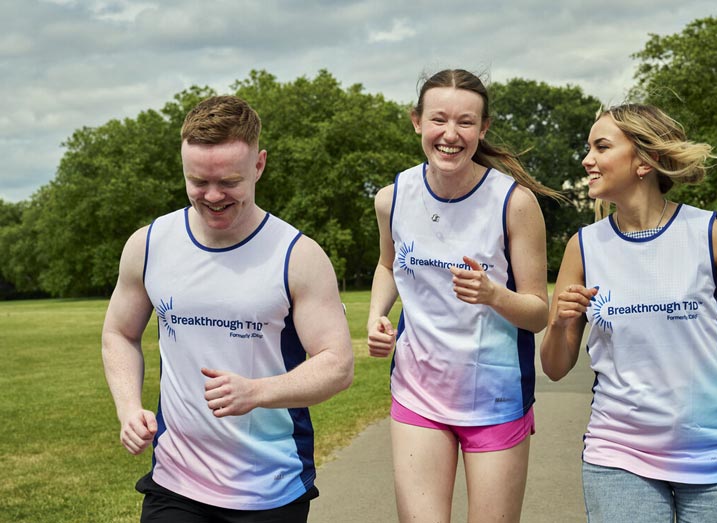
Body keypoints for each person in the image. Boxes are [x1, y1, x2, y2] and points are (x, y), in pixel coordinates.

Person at [540, 103, 717, 522]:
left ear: (645, 161)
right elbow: (554, 368)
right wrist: (559, 324)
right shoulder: (583, 247)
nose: (587, 160)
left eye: (601, 147)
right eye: (588, 148)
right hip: (617, 456)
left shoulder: (708, 234)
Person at [101, 95, 353, 523]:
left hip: (269, 488)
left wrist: (257, 392)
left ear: (259, 165)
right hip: (175, 482)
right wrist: (128, 408)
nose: (213, 196)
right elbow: (119, 334)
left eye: (229, 182)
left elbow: (337, 365)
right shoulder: (149, 244)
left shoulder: (297, 255)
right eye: (198, 181)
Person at [367, 69, 560, 522]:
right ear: (417, 121)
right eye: (439, 119)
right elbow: (387, 265)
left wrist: (494, 295)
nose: (450, 134)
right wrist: (377, 315)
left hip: (495, 398)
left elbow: (538, 313)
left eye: (466, 122)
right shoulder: (392, 198)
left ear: (483, 128)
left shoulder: (514, 203)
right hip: (417, 393)